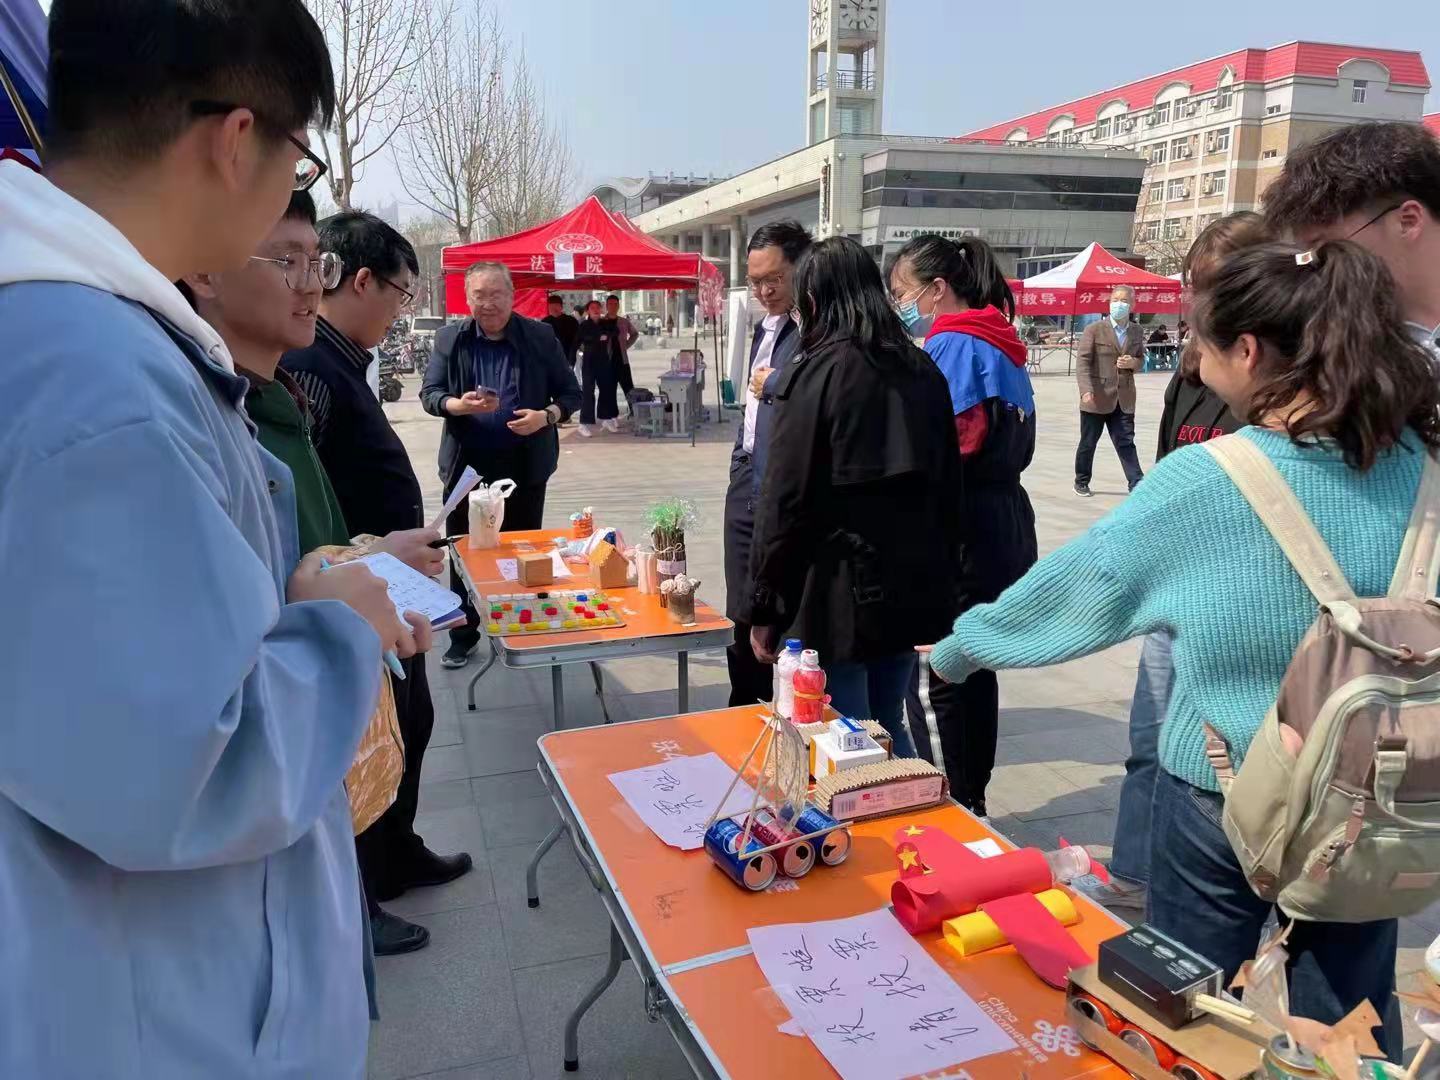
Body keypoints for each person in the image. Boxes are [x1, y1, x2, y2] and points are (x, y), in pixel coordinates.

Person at [0, 2, 423, 1075]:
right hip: (176, 1022)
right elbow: (183, 768)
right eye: (297, 157)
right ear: (237, 141)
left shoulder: (92, 342)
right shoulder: (100, 387)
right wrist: (338, 622)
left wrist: (296, 585)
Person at [925, 239, 1440, 1057]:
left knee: (1187, 1010)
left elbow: (1079, 587)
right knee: (1348, 1021)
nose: (1193, 355)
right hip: (1373, 800)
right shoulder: (1423, 469)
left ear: (1249, 352)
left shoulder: (1207, 481)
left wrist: (958, 650)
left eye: (1202, 339)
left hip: (1221, 791)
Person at [284, 211, 473, 956]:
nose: (400, 310)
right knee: (363, 746)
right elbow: (309, 493)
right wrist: (363, 557)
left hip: (388, 584)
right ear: (360, 280)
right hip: (354, 593)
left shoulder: (341, 358)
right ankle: (361, 893)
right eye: (399, 293)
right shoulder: (310, 366)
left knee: (411, 722)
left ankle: (398, 853)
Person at [1093, 211, 1272, 911]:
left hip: (1242, 602)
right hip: (1178, 595)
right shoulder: (1192, 375)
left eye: (1211, 286)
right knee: (1150, 742)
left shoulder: (1278, 387)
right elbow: (1169, 473)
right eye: (1192, 285)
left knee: (1223, 764)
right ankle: (1136, 873)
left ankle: (1237, 891)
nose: (1195, 301)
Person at [750, 237, 963, 755]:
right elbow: (949, 484)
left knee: (844, 735)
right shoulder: (921, 369)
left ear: (813, 300)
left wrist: (765, 604)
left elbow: (785, 500)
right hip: (906, 583)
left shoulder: (816, 374)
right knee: (888, 721)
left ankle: (886, 806)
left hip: (836, 591)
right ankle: (914, 803)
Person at [886, 234, 1036, 816]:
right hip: (1005, 521)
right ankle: (975, 795)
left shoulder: (950, 344)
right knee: (977, 666)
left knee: (938, 672)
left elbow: (951, 444)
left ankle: (953, 803)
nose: (902, 305)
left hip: (960, 528)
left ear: (937, 288)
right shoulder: (1002, 341)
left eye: (904, 293)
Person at [420, 262, 581, 667]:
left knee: (521, 550)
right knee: (463, 552)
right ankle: (463, 633)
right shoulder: (451, 338)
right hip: (467, 468)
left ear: (512, 296)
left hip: (525, 465)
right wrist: (458, 405)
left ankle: (520, 622)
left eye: (496, 294)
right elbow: (430, 393)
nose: (488, 304)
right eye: (479, 295)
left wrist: (545, 417)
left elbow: (571, 394)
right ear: (467, 298)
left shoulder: (539, 336)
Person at [1261, 120, 1440, 363]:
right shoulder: (1323, 357)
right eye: (1304, 256)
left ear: (1407, 221)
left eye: (1321, 250)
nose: (1312, 271)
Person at [725, 221, 811, 707]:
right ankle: (743, 702)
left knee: (774, 604)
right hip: (748, 476)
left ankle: (777, 707)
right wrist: (740, 459)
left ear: (802, 267)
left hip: (783, 485)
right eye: (755, 282)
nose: (764, 291)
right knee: (741, 599)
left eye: (774, 279)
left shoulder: (815, 331)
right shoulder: (766, 327)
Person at [1074, 284, 1145, 497]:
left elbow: (1141, 359)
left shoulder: (1136, 331)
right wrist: (1085, 390)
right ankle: (1081, 480)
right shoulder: (1094, 329)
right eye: (1115, 300)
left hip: (1124, 397)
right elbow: (1083, 362)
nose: (1118, 304)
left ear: (1132, 305)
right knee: (1088, 443)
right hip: (1096, 397)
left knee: (1126, 441)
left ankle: (1136, 482)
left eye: (1124, 301)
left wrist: (1133, 363)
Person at [575, 298, 619, 435]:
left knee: (606, 389)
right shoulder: (583, 325)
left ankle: (606, 418)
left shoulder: (605, 323)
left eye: (597, 307)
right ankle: (583, 423)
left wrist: (606, 334)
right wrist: (570, 362)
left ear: (601, 309)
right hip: (589, 362)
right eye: (592, 308)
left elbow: (615, 331)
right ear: (588, 311)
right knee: (588, 391)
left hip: (603, 361)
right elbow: (577, 341)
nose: (595, 310)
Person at [604, 293, 640, 411]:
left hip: (622, 361)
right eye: (610, 304)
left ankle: (634, 411)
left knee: (628, 388)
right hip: (607, 362)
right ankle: (611, 413)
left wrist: (626, 345)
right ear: (606, 306)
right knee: (609, 389)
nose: (613, 306)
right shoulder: (601, 322)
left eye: (615, 304)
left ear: (618, 306)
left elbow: (635, 334)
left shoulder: (624, 321)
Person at [542, 292, 579, 368]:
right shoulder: (544, 322)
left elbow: (576, 341)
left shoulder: (571, 321)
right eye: (551, 307)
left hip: (568, 356)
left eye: (556, 306)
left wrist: (572, 359)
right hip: (550, 358)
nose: (554, 309)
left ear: (561, 307)